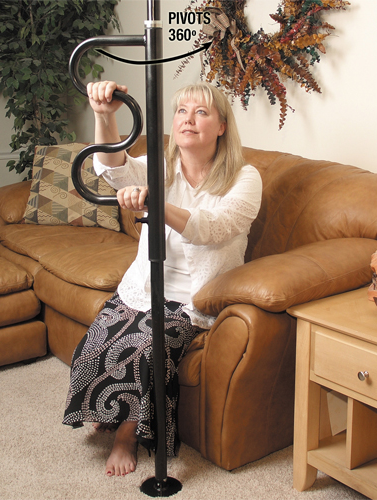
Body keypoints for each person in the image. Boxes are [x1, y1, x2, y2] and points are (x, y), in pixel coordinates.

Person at [63, 80, 263, 477]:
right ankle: (112, 409)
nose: (188, 119)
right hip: (144, 284)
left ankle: (127, 435)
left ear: (222, 126)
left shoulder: (245, 176)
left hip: (192, 298)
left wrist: (156, 203)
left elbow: (214, 227)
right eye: (182, 111)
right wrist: (104, 115)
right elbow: (113, 170)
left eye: (201, 112)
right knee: (96, 341)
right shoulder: (161, 166)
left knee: (144, 349)